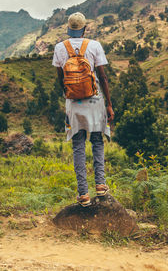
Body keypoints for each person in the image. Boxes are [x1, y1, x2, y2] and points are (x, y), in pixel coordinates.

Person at [52, 12, 114, 206]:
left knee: (78, 146)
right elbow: (102, 77)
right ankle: (101, 186)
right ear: (84, 28)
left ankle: (83, 194)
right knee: (97, 141)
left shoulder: (60, 48)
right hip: (95, 101)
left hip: (73, 104)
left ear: (69, 29)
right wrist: (109, 104)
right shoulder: (94, 46)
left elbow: (60, 79)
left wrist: (70, 96)